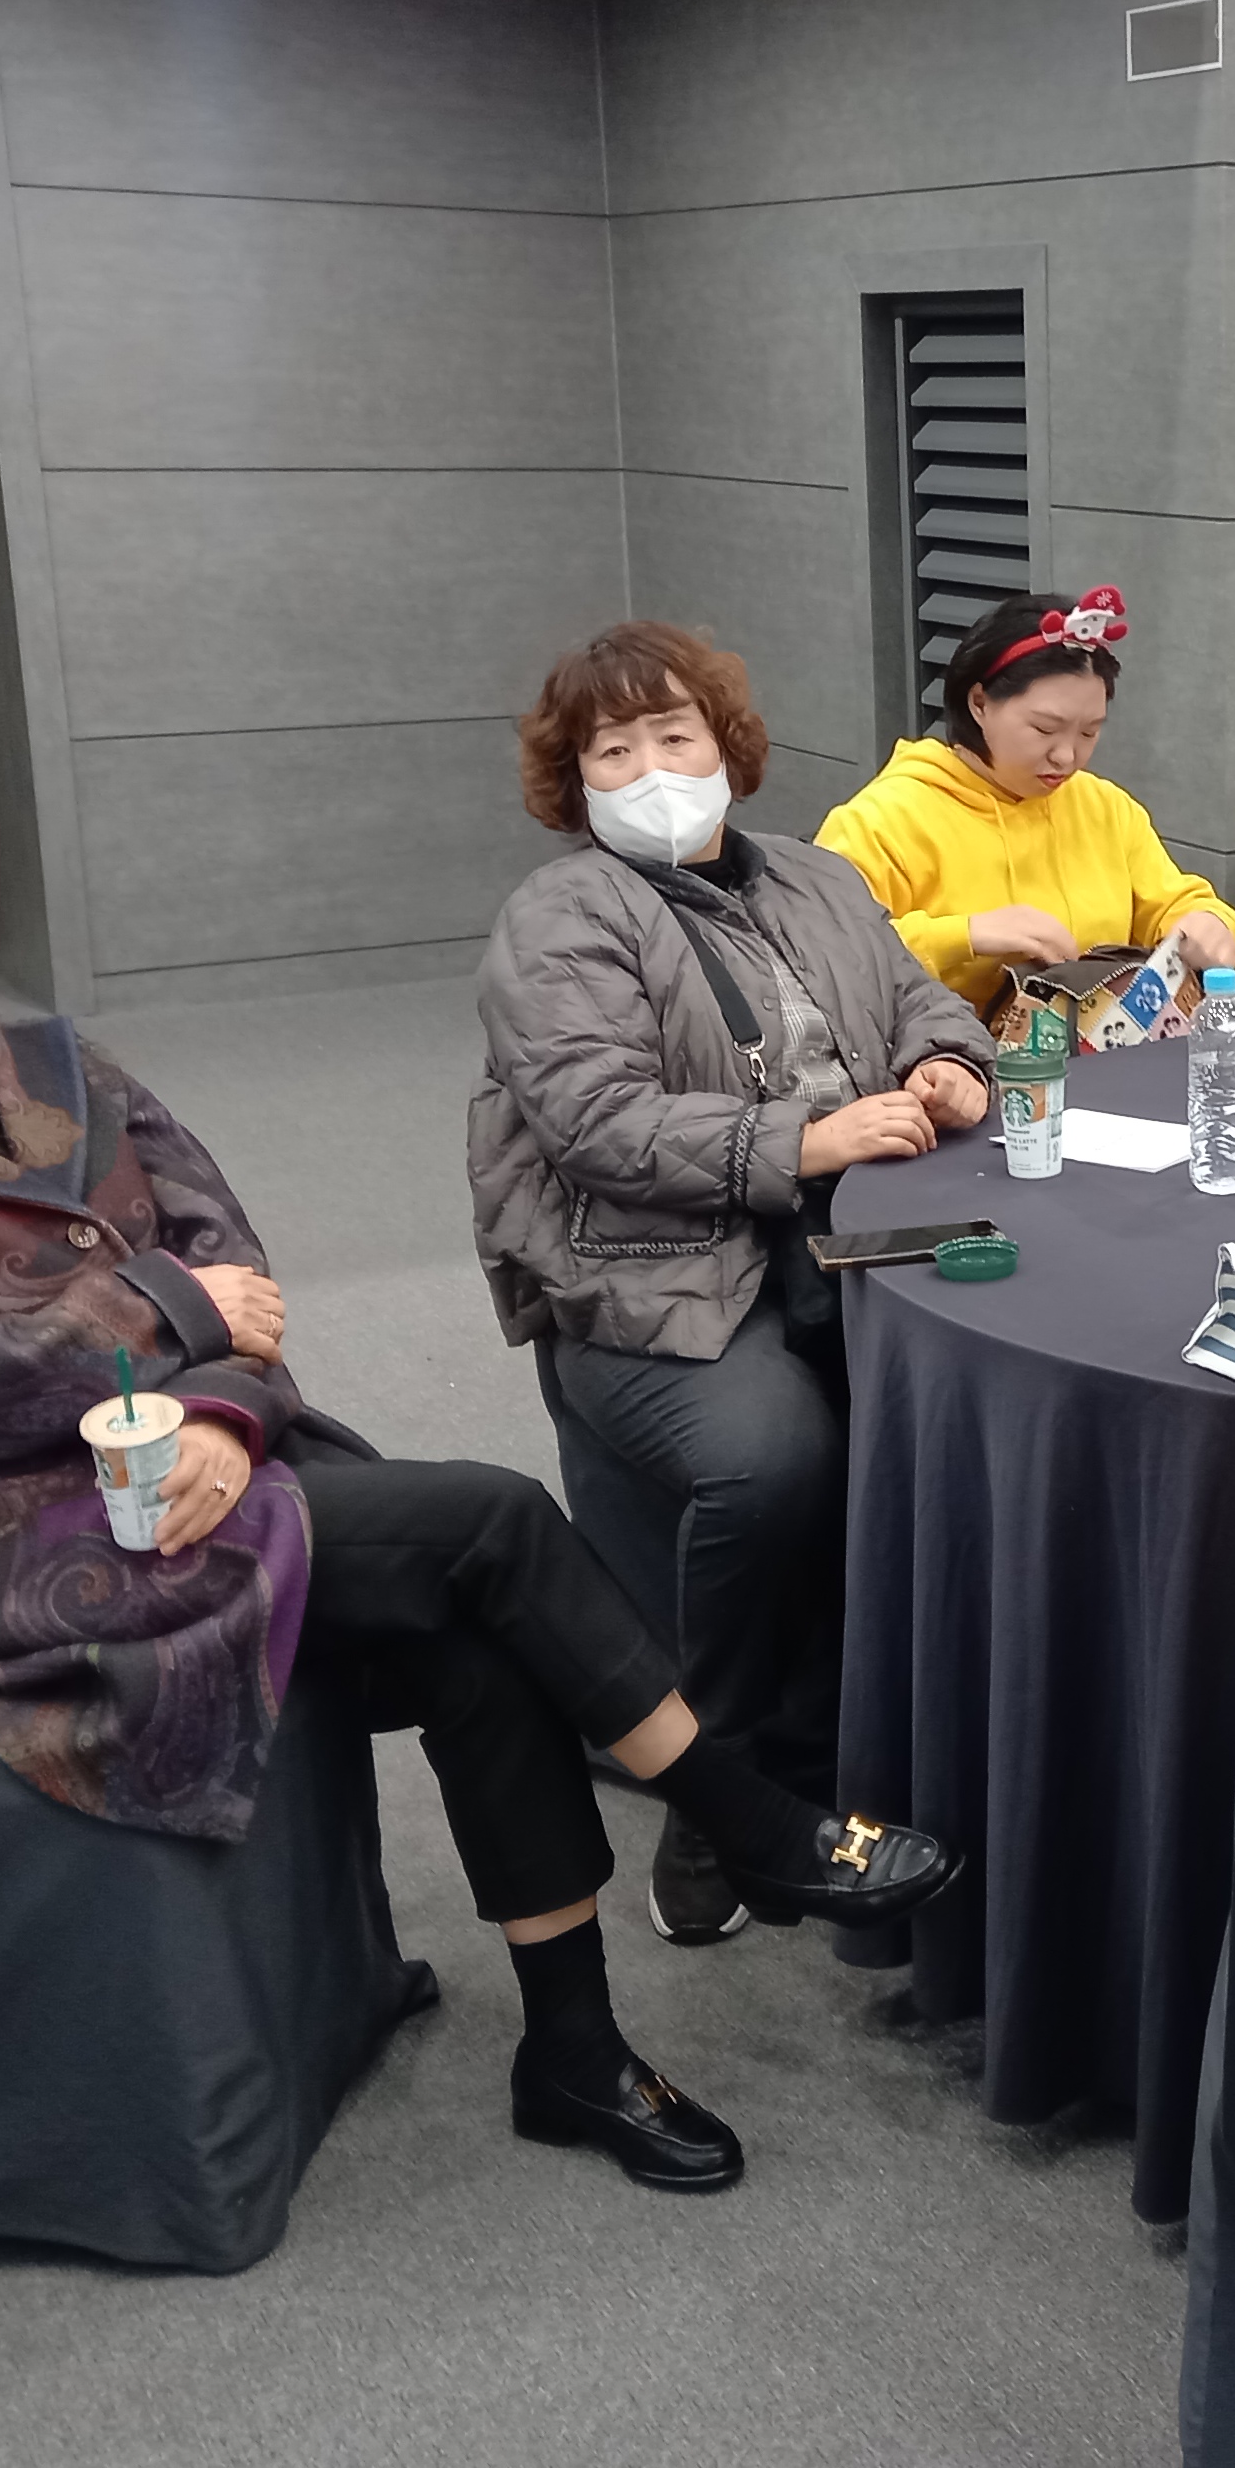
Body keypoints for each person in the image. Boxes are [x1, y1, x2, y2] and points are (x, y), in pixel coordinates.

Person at [0, 728, 959, 2197]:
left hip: (214, 1462)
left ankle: (575, 2051)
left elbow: (229, 1252)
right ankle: (748, 1821)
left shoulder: (44, 1055)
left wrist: (221, 1411)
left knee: (478, 1642)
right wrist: (159, 1317)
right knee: (491, 1525)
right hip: (9, 1534)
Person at [470, 620, 1000, 1945]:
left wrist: (948, 1066)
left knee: (984, 1398)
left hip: (852, 1238)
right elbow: (597, 1123)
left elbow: (921, 1001)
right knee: (775, 1462)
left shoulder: (820, 877)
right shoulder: (559, 918)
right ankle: (725, 1789)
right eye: (615, 751)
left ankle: (906, 1742)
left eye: (676, 736)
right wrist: (808, 1140)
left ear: (728, 747)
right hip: (643, 1269)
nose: (653, 770)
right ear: (574, 780)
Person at [816, 586, 1235, 1015]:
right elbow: (823, 955)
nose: (1067, 756)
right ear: (979, 703)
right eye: (1045, 729)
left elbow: (1175, 903)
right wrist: (966, 935)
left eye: (1089, 732)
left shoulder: (1104, 808)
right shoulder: (883, 819)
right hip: (941, 1056)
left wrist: (1210, 922)